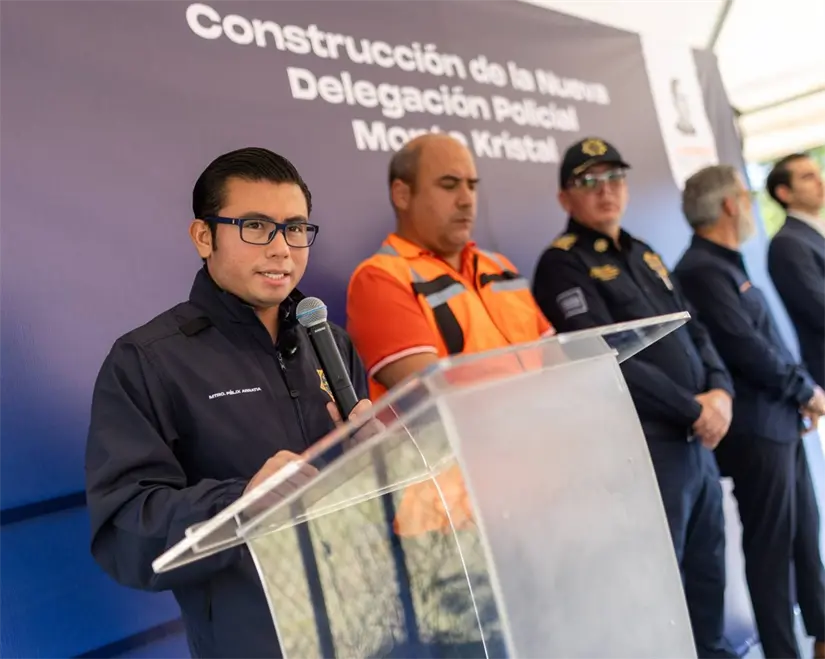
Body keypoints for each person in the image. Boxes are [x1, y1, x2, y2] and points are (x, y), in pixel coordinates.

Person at [84, 147, 371, 659]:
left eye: (296, 228)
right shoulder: (149, 360)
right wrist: (242, 503)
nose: (282, 249)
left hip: (367, 626)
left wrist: (382, 453)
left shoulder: (328, 341)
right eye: (257, 226)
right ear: (203, 236)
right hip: (256, 640)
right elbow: (124, 531)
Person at [532, 137, 738, 659]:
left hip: (698, 444)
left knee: (709, 586)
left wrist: (721, 392)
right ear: (565, 199)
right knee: (656, 599)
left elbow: (697, 331)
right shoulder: (562, 265)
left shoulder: (645, 253)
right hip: (646, 450)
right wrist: (696, 409)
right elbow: (606, 354)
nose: (606, 192)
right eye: (589, 182)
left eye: (614, 178)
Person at [673, 164, 825, 659]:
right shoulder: (700, 270)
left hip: (779, 422)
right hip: (757, 432)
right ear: (730, 205)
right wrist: (804, 390)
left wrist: (797, 396)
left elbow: (767, 343)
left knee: (804, 541)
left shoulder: (728, 263)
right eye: (746, 194)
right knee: (772, 554)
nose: (751, 204)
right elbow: (746, 349)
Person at [346, 132, 554, 402]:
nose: (466, 199)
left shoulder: (500, 266)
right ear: (402, 194)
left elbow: (559, 363)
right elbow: (433, 400)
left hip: (546, 436)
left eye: (472, 185)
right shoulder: (379, 278)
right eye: (449, 185)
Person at [766, 153, 825, 389]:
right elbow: (819, 308)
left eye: (818, 173)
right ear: (784, 193)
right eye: (808, 177)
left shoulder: (814, 232)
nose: (820, 181)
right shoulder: (787, 243)